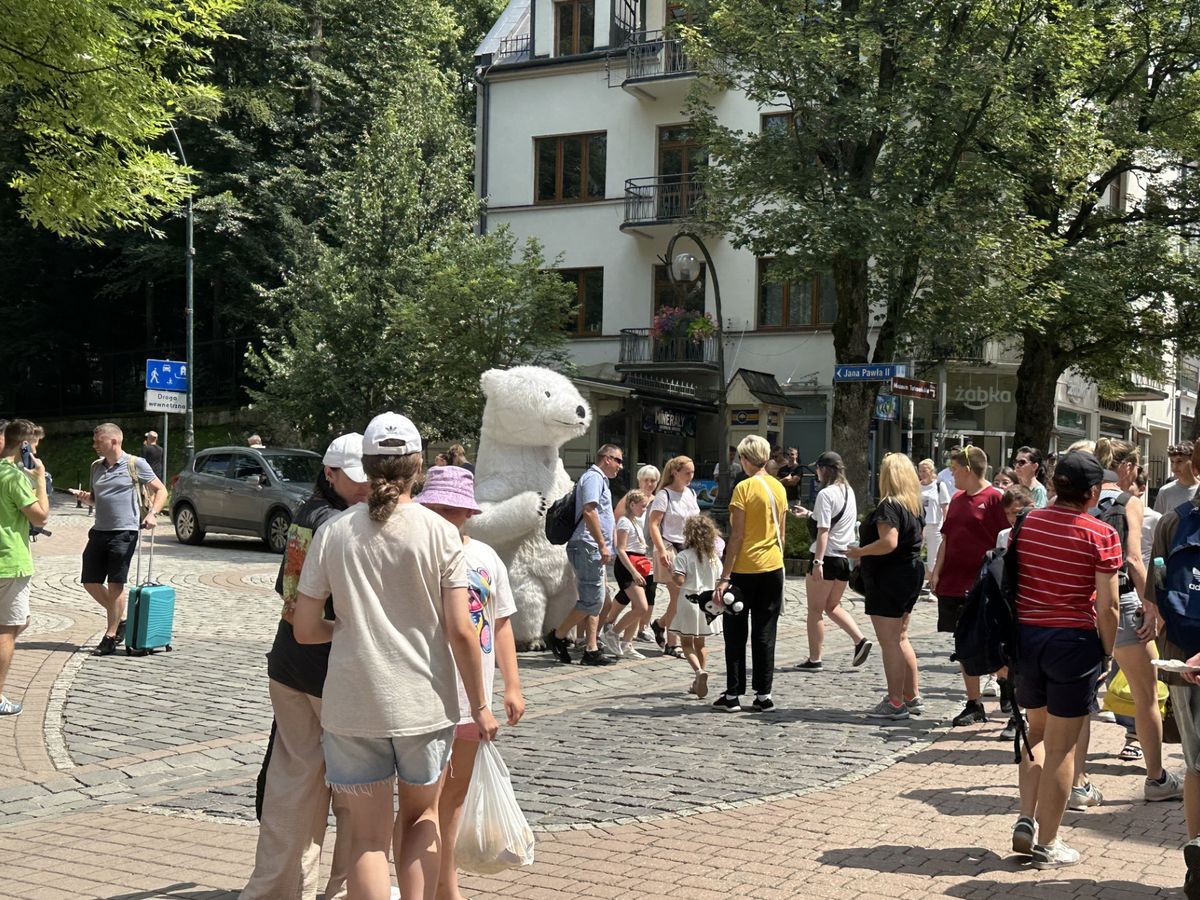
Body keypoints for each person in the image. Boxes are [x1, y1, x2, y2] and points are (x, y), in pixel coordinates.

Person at [293, 412, 499, 900]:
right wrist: (482, 705)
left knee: (364, 838)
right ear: (418, 467)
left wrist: (348, 629)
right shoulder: (439, 532)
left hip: (352, 702)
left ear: (366, 466)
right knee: (421, 819)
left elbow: (304, 629)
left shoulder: (334, 533)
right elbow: (461, 631)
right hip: (422, 705)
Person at [243, 433, 370, 900]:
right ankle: (349, 889)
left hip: (289, 663)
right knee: (357, 789)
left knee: (293, 786)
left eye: (369, 478)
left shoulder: (305, 513)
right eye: (355, 478)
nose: (365, 487)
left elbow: (287, 591)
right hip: (328, 666)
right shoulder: (343, 525)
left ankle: (275, 891)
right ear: (330, 474)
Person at [415, 466, 524, 900]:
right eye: (436, 509)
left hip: (470, 696)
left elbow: (500, 624)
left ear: (467, 513)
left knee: (454, 799)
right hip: (424, 694)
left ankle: (444, 886)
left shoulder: (485, 557)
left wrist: (511, 686)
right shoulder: (418, 554)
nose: (445, 518)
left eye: (453, 510)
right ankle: (431, 885)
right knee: (424, 800)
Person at [1010, 451, 1121, 869]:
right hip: (1073, 643)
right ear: (1093, 493)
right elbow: (1108, 607)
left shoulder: (1027, 522)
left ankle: (1026, 817)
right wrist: (1107, 652)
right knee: (1063, 747)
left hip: (1027, 637)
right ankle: (1049, 841)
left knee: (1035, 734)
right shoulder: (1100, 534)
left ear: (1054, 485)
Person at [1093, 438, 1182, 801]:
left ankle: (1078, 781)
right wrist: (1152, 605)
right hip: (1125, 597)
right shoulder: (1130, 503)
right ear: (1126, 467)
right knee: (1146, 694)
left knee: (1084, 697)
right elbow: (1134, 560)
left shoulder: (1076, 498)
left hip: (1085, 603)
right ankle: (1156, 778)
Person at [1150, 439, 1200, 896]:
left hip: (1185, 655)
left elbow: (1157, 593)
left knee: (1196, 764)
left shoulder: (1173, 521)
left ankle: (1195, 852)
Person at [930, 445, 1009, 726]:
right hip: (954, 581)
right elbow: (947, 538)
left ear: (967, 469)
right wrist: (937, 572)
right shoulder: (958, 499)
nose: (952, 475)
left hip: (984, 584)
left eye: (954, 469)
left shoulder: (995, 499)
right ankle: (974, 703)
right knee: (963, 644)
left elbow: (1006, 540)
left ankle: (1006, 686)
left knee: (991, 641)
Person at [74, 423, 167, 656]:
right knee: (90, 581)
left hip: (124, 532)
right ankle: (123, 618)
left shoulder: (135, 464)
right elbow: (97, 499)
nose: (94, 444)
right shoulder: (96, 467)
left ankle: (110, 635)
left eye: (98, 441)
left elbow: (161, 490)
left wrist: (153, 514)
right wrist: (88, 500)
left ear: (114, 441)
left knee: (116, 584)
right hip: (99, 531)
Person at [712, 435, 787, 713]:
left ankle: (733, 694)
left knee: (735, 632)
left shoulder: (743, 488)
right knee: (766, 631)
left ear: (745, 458)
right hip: (773, 567)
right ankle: (763, 694)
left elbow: (738, 535)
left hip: (744, 569)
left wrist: (724, 576)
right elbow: (782, 532)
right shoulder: (778, 488)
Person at [849, 454, 925, 719]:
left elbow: (888, 542)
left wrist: (860, 551)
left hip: (888, 577)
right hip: (910, 573)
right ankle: (910, 695)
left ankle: (895, 702)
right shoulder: (913, 505)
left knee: (889, 641)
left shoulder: (889, 506)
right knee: (901, 637)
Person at [544, 444, 623, 667]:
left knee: (596, 599)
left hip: (592, 547)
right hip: (587, 545)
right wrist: (602, 544)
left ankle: (591, 648)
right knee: (593, 600)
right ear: (606, 458)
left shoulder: (600, 481)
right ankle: (558, 637)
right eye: (618, 460)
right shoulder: (593, 478)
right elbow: (589, 511)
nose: (620, 466)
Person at [796, 450, 871, 671]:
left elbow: (824, 530)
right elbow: (835, 523)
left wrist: (817, 562)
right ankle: (860, 640)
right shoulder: (848, 491)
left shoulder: (825, 494)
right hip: (843, 558)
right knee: (832, 605)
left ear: (825, 469)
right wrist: (809, 514)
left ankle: (814, 658)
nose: (816, 473)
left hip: (826, 557)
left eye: (818, 468)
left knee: (815, 610)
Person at [0, 419, 50, 716]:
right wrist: (40, 479)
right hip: (9, 561)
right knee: (7, 630)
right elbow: (40, 517)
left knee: (20, 621)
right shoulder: (14, 476)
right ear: (25, 446)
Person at [648, 456, 701, 659]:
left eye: (692, 472)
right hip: (670, 548)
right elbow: (653, 524)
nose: (690, 476)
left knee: (683, 597)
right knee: (678, 597)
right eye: (687, 472)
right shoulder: (664, 495)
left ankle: (660, 624)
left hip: (689, 549)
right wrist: (661, 550)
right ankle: (672, 643)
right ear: (675, 472)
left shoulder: (691, 493)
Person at [671, 514, 723, 700]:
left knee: (686, 643)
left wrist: (672, 571)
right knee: (701, 644)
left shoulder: (684, 556)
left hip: (689, 600)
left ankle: (699, 672)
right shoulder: (714, 559)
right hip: (706, 604)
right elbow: (719, 582)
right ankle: (697, 680)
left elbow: (679, 580)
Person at [612, 464, 660, 642]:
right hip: (631, 551)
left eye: (653, 480)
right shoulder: (630, 498)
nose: (649, 483)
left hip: (649, 550)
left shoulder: (657, 499)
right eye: (646, 480)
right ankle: (612, 623)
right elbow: (617, 519)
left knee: (650, 590)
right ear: (639, 480)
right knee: (629, 592)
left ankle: (643, 627)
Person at [608, 489, 653, 660]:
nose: (644, 509)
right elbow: (621, 549)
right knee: (641, 606)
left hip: (637, 564)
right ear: (632, 505)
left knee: (638, 607)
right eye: (642, 506)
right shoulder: (624, 522)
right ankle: (614, 633)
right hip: (628, 567)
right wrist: (633, 572)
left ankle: (627, 644)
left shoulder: (635, 521)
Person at [918, 458, 951, 594]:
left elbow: (945, 507)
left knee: (933, 557)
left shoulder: (939, 485)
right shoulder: (917, 486)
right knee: (915, 554)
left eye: (924, 471)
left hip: (935, 525)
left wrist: (946, 526)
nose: (922, 474)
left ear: (931, 471)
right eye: (920, 471)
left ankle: (933, 587)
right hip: (920, 525)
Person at [1156, 441, 1198, 514]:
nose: (1174, 468)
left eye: (1179, 461)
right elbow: (1158, 522)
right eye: (1172, 462)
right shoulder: (1165, 492)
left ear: (1193, 461)